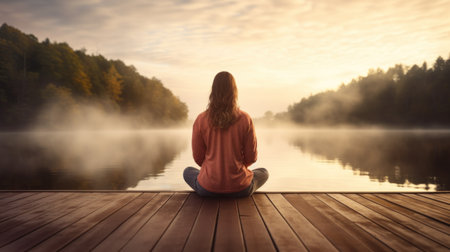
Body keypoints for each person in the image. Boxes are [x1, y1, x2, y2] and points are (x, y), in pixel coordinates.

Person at [183, 71, 268, 197]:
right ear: (234, 92)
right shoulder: (245, 118)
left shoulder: (201, 119)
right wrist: (235, 168)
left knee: (188, 171)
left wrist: (213, 169)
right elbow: (251, 157)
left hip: (208, 189)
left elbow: (198, 157)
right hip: (240, 189)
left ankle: (212, 181)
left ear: (213, 92)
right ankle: (236, 181)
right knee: (263, 172)